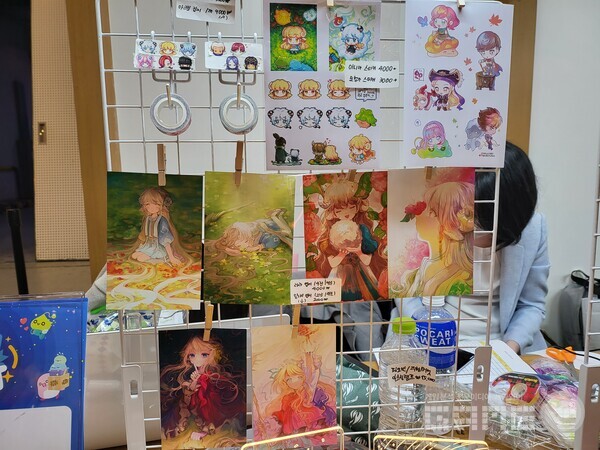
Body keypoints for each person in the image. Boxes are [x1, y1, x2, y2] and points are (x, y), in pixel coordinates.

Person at [394, 143, 550, 354]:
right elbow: (405, 293)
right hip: (430, 338)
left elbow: (532, 305)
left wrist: (508, 350)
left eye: (480, 219)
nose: (468, 224)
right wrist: (431, 336)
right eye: (467, 212)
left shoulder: (533, 229)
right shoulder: (435, 222)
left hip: (503, 346)